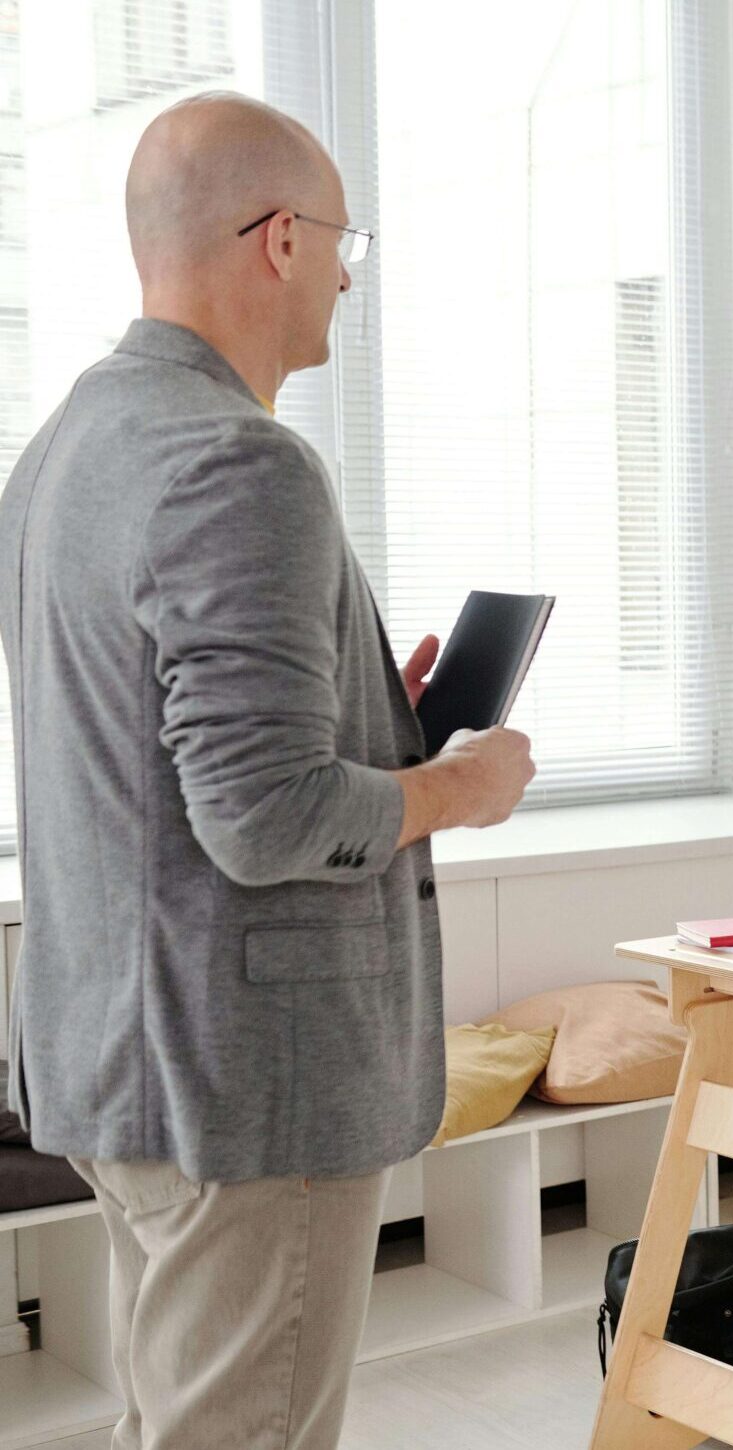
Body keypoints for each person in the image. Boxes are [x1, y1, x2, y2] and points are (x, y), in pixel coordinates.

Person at [0, 94, 535, 1449]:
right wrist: (456, 786)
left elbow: (144, 739)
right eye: (346, 242)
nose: (351, 276)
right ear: (281, 240)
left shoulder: (63, 450)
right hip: (248, 1083)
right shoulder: (243, 462)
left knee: (174, 1418)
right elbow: (261, 815)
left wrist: (369, 713)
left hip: (116, 1057)